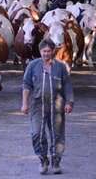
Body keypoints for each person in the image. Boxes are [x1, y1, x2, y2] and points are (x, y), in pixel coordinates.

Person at [21, 38, 74, 174]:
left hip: (56, 105)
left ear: (53, 52)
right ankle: (43, 159)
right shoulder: (33, 65)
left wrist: (69, 102)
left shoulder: (61, 67)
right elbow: (27, 85)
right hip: (38, 105)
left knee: (57, 135)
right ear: (40, 51)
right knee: (36, 133)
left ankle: (56, 162)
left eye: (49, 51)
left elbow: (67, 85)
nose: (46, 54)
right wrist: (25, 103)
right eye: (44, 51)